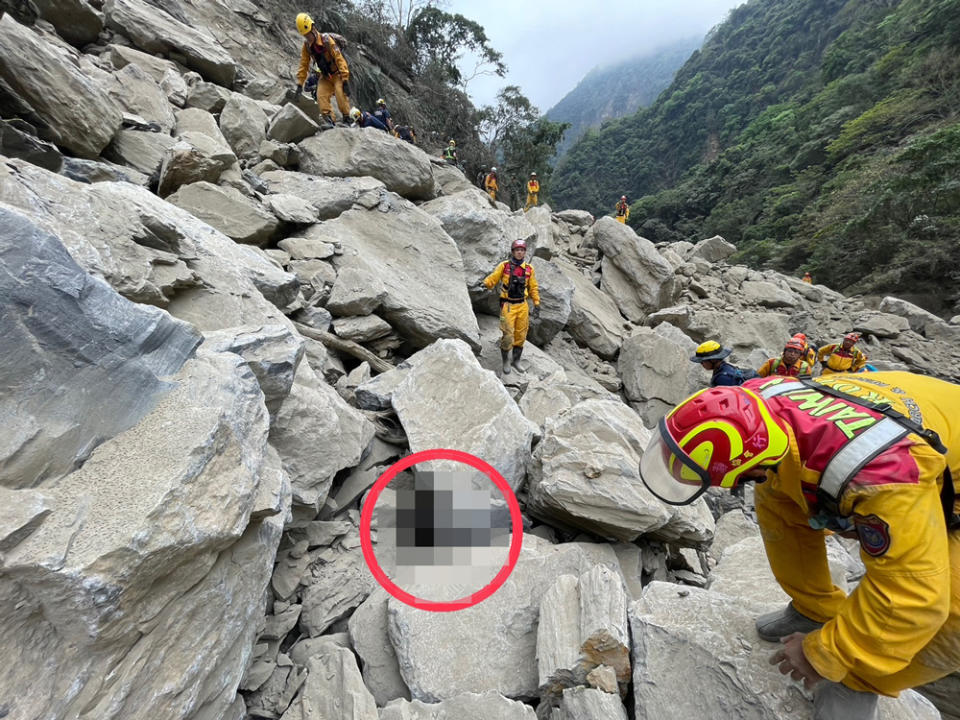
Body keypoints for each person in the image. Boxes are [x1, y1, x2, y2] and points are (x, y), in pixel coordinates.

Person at [639, 371, 960, 719]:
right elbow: (781, 486)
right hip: (924, 435)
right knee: (779, 496)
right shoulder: (756, 405)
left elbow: (914, 598)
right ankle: (815, 609)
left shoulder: (881, 477)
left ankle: (861, 680)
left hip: (914, 467)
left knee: (952, 613)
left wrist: (827, 653)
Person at [480, 239, 540, 375]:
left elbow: (533, 287)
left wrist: (536, 303)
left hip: (522, 305)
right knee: (508, 334)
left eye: (522, 250)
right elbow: (493, 278)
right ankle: (506, 360)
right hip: (507, 305)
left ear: (525, 252)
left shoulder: (529, 269)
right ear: (513, 251)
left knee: (521, 334)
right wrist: (485, 283)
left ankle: (516, 360)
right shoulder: (504, 266)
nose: (519, 252)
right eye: (517, 250)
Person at [295, 13, 351, 127]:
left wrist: (345, 79)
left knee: (340, 94)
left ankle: (347, 119)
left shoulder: (327, 40)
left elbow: (339, 58)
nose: (308, 38)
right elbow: (303, 65)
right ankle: (330, 120)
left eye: (308, 35)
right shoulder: (306, 47)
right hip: (325, 77)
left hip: (338, 74)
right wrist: (299, 84)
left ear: (313, 28)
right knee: (321, 95)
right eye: (305, 36)